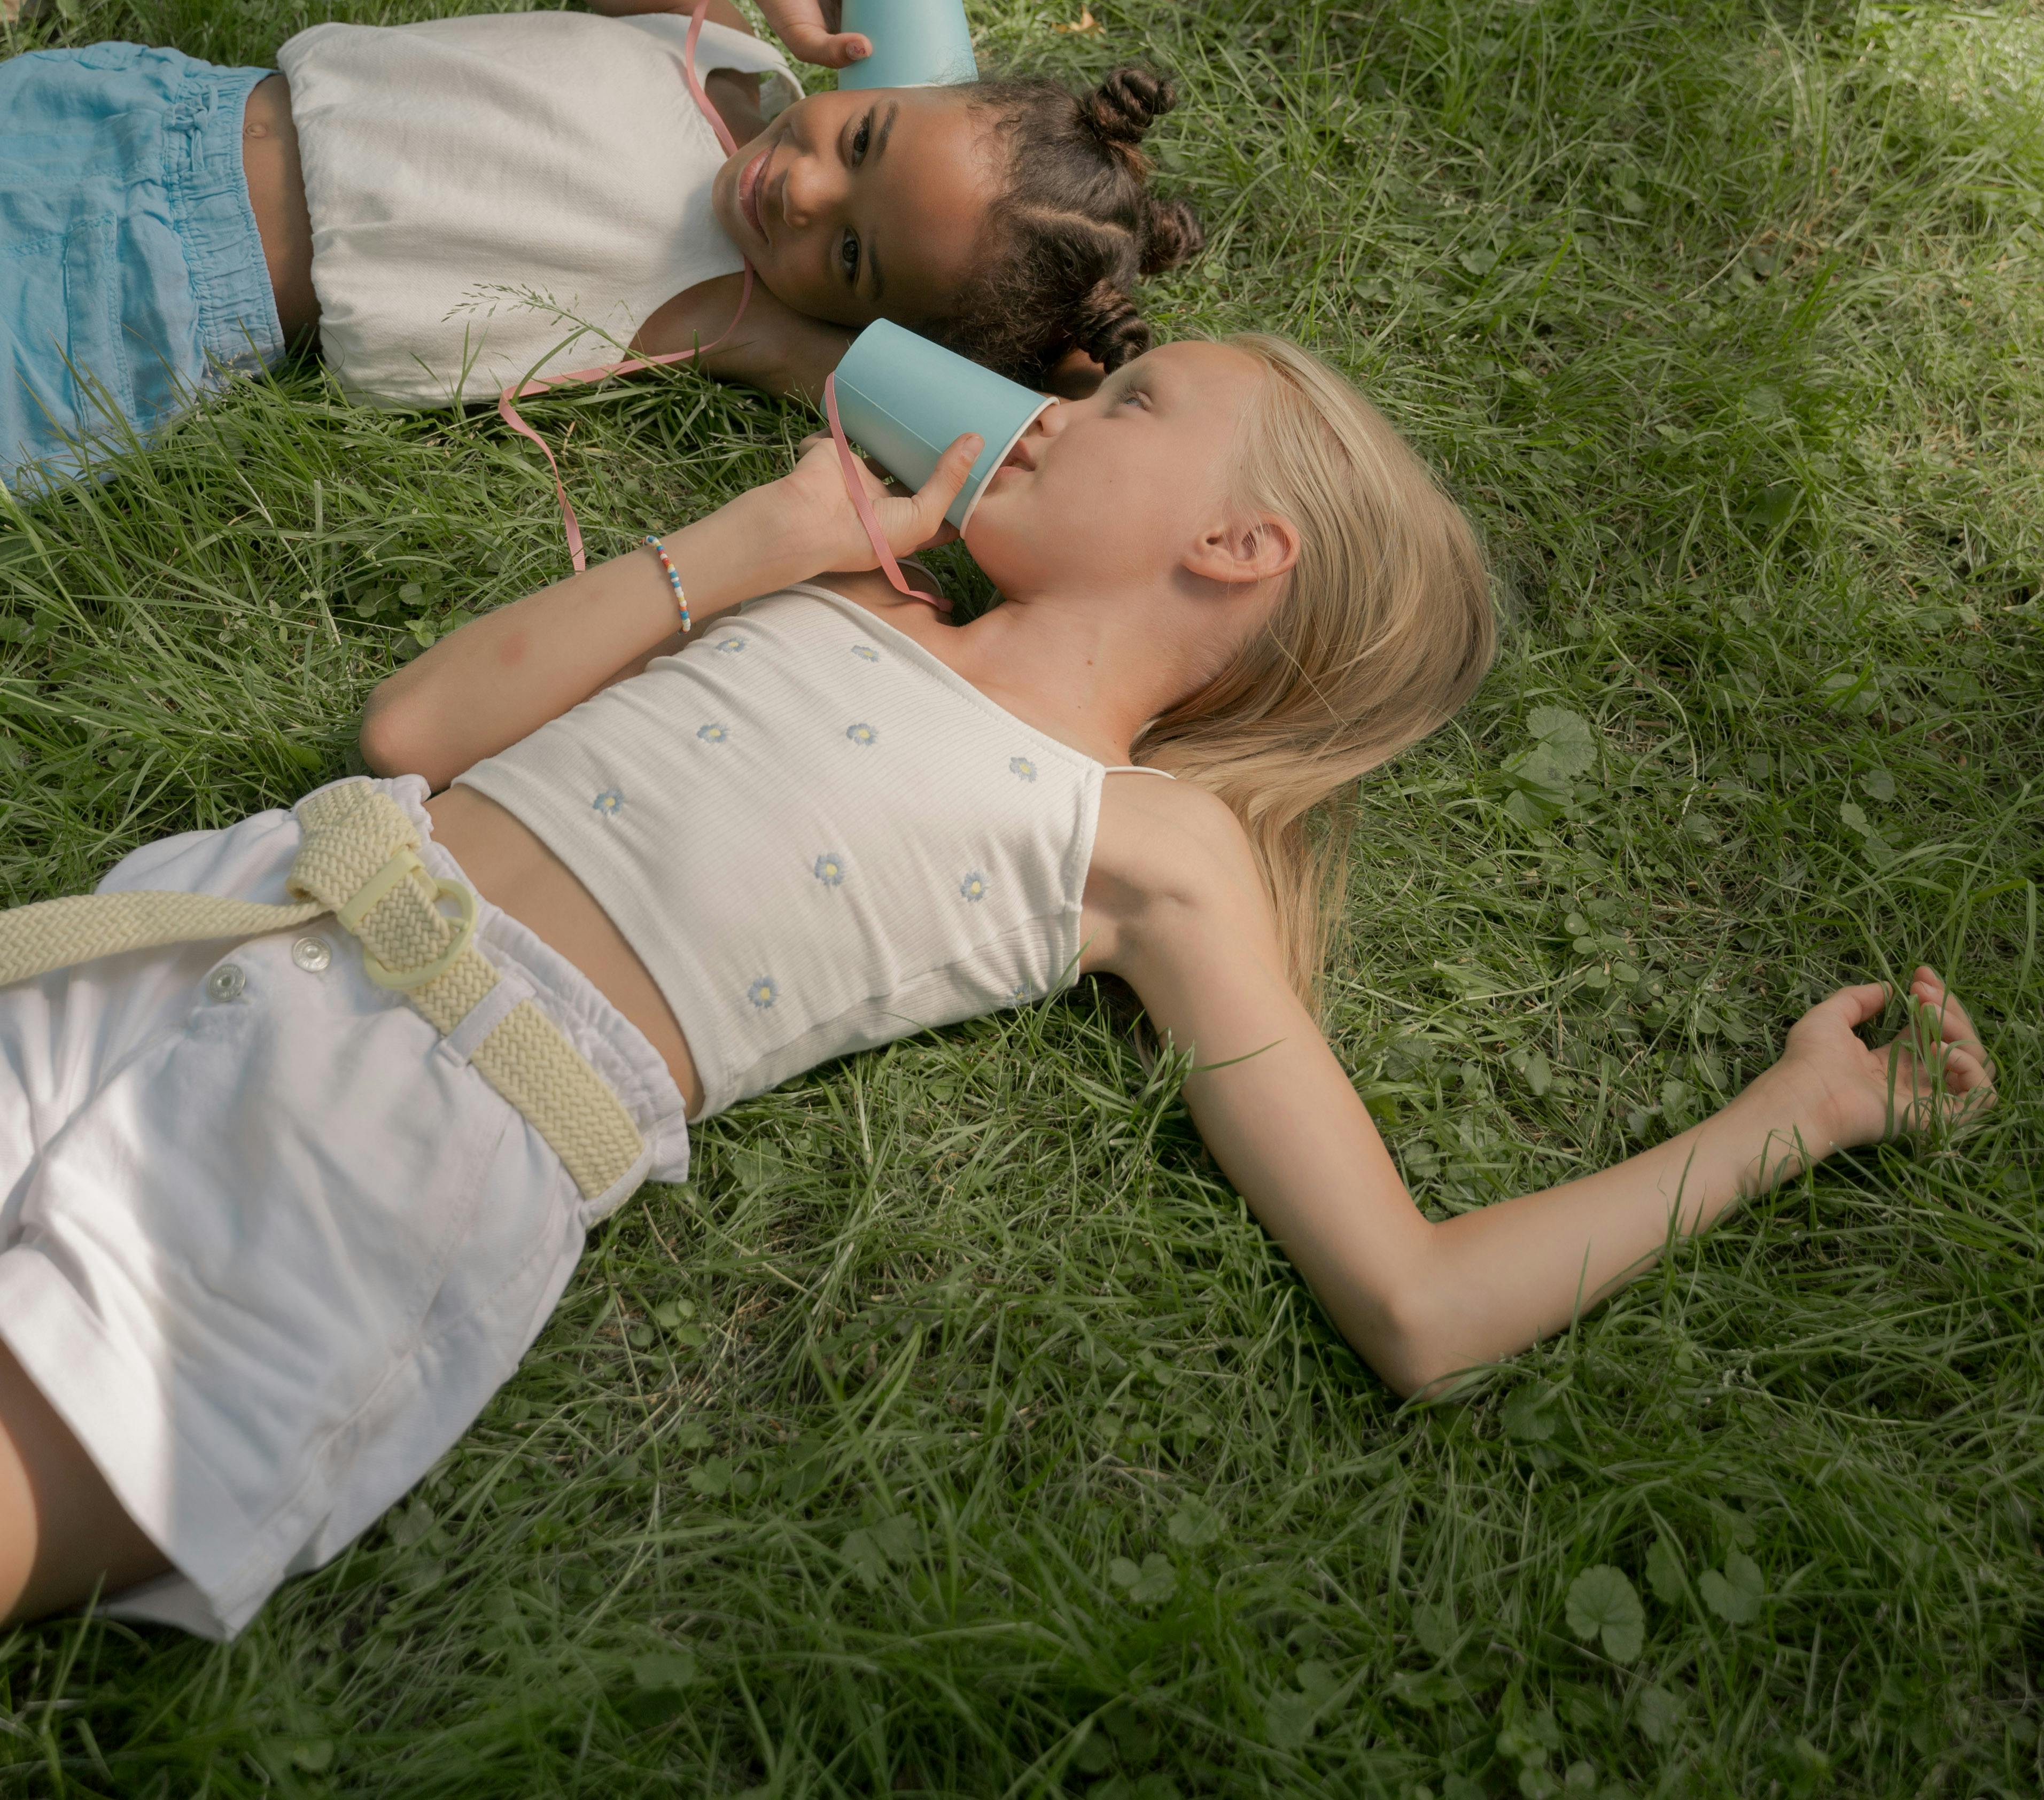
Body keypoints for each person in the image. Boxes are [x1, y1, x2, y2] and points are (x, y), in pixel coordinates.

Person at [0, 333, 1991, 1634]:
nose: (1049, 401)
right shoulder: (844, 580)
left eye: (1123, 403)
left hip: (410, 1125)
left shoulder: (1145, 844)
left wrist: (1790, 1115)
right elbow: (417, 721)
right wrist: (760, 530)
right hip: (231, 909)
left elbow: (1416, 1301)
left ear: (1234, 541)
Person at [0, 0, 1202, 496]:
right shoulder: (709, 43)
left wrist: (1054, 359)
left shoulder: (728, 313)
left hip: (138, 310)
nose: (802, 193)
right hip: (144, 108)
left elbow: (1007, 460)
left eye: (850, 254)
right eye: (862, 140)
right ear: (902, 74)